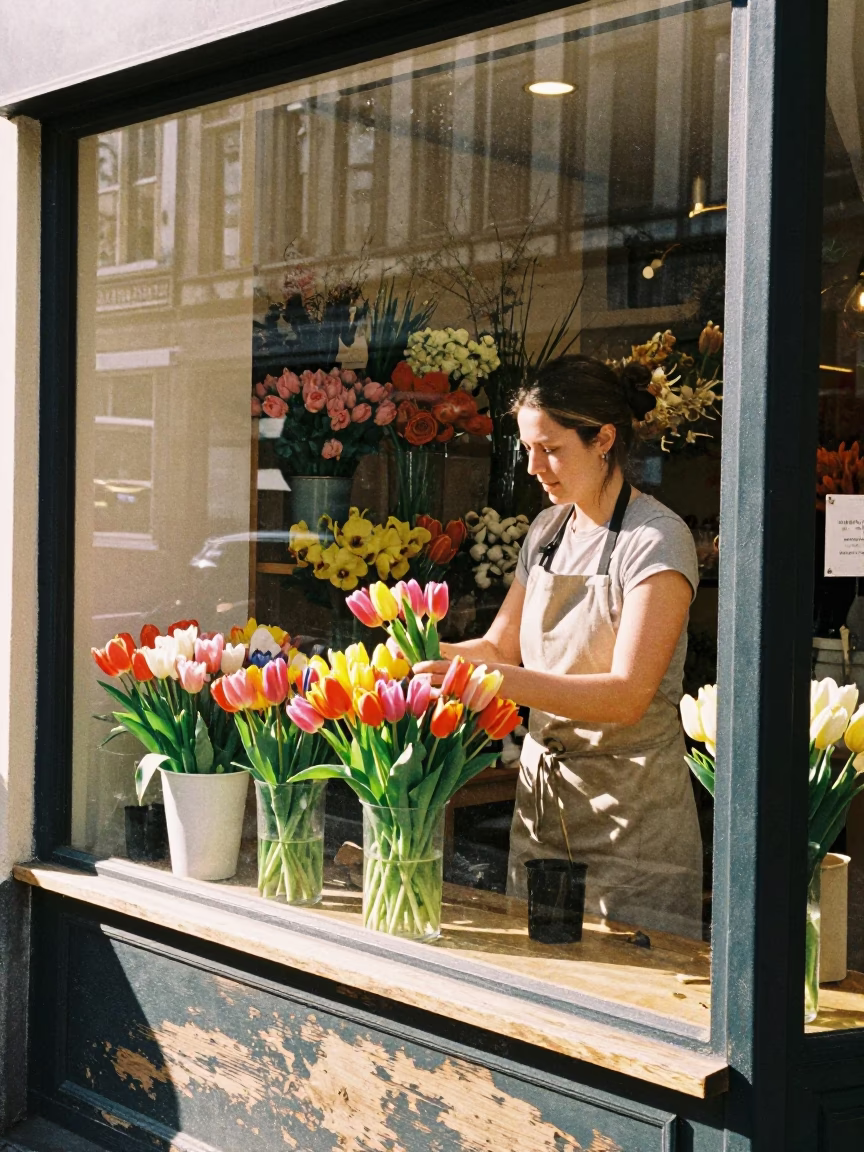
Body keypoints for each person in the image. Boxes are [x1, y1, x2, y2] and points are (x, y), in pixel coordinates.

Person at [419, 354, 703, 939]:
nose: (534, 467)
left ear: (603, 439)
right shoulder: (548, 531)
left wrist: (497, 684)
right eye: (527, 448)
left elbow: (627, 696)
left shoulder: (656, 540)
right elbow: (500, 649)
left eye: (550, 449)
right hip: (544, 807)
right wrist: (421, 652)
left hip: (631, 821)